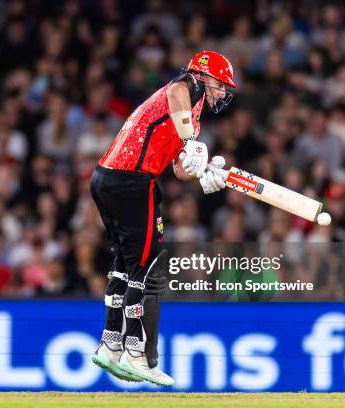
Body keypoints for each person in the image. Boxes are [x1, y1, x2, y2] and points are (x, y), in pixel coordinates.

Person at [90, 51, 236, 385]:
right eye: (220, 83)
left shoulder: (191, 117)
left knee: (125, 265)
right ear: (204, 75)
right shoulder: (189, 86)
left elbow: (176, 168)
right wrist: (191, 142)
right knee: (148, 270)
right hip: (132, 181)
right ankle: (136, 353)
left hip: (108, 179)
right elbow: (175, 91)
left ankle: (110, 344)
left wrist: (203, 171)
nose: (222, 92)